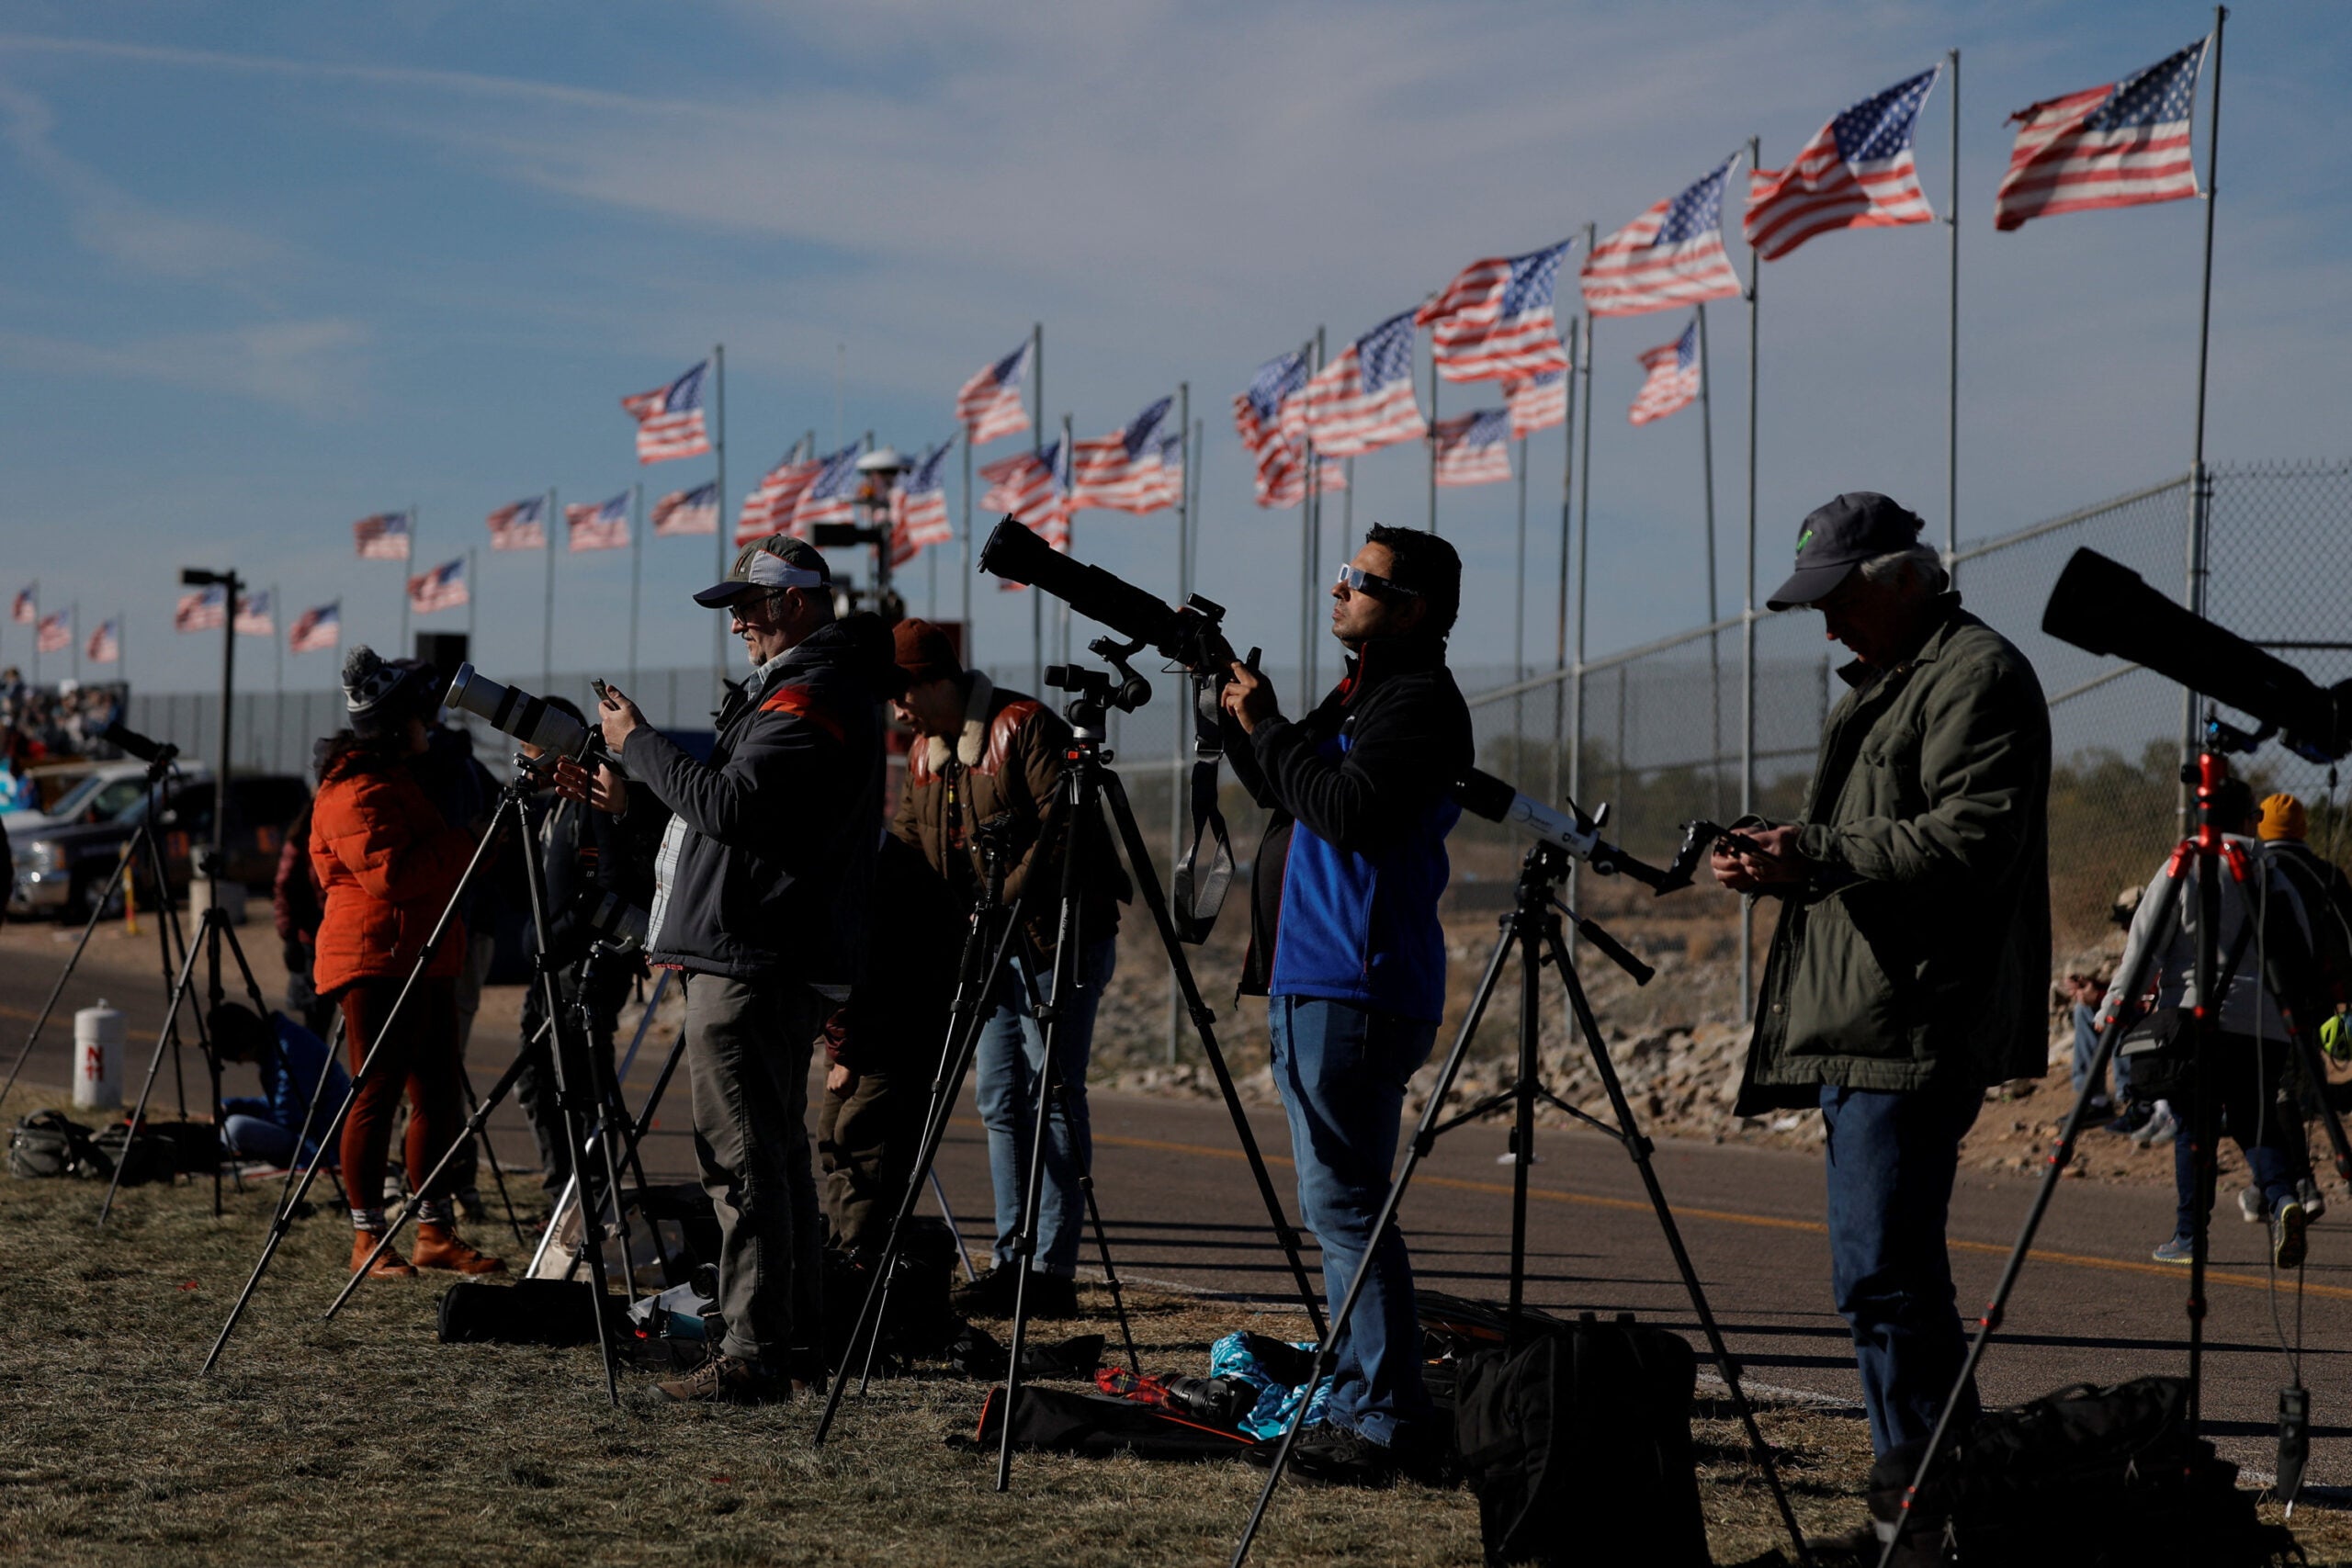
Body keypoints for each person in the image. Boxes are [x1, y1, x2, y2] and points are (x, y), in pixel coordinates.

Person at [1712, 492, 2050, 1495]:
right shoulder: (1894, 678)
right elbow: (1877, 842)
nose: (1823, 623)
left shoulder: (1974, 676)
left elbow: (1969, 840)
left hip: (1913, 1018)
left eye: (1837, 599)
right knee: (1884, 1278)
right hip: (1872, 1016)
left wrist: (1806, 851)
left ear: (1902, 579)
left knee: (1882, 1278)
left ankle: (1931, 1494)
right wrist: (1785, 859)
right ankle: (1938, 1488)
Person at [567, 535, 889, 1404]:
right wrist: (634, 802)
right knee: (774, 1156)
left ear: (793, 603)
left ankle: (754, 1352)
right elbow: (731, 825)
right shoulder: (807, 689)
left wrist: (638, 747)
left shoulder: (812, 693)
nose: (736, 622)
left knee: (743, 1163)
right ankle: (793, 1339)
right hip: (761, 953)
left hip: (756, 960)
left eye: (746, 605)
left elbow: (730, 806)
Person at [1216, 524, 1473, 1484]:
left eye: (1358, 582)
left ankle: (1382, 1417)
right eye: (1340, 574)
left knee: (1349, 1208)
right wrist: (1246, 727)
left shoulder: (1413, 702)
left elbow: (1350, 813)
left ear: (1408, 608)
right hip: (1315, 979)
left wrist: (1273, 728)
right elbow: (1293, 792)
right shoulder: (1368, 690)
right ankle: (1370, 1397)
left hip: (1353, 983)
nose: (1338, 591)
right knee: (1338, 1207)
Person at [885, 616, 1129, 1318]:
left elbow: (1065, 833)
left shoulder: (1023, 725)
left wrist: (997, 901)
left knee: (1053, 1091)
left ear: (936, 680)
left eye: (903, 692)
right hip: (989, 946)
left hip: (1058, 937)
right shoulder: (927, 753)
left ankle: (1050, 1270)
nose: (897, 708)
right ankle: (1009, 1258)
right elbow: (910, 846)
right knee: (998, 1097)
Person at [310, 647, 504, 1280]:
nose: (431, 725)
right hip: (375, 958)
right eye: (420, 717)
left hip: (422, 954)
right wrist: (469, 841)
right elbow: (393, 874)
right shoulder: (353, 790)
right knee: (376, 1094)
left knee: (438, 1096)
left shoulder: (393, 780)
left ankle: (434, 1231)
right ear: (395, 727)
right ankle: (368, 1236)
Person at [2098, 778, 2319, 1268]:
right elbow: (2301, 950)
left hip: (2197, 1023)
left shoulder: (2187, 865)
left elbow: (2147, 942)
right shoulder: (2272, 874)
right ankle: (2284, 1199)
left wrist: (2115, 1003)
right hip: (2265, 1028)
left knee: (2193, 1128)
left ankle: (2189, 1235)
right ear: (2248, 819)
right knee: (2254, 1120)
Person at [510, 694, 662, 1214]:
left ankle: (594, 1200)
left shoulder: (591, 798)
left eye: (532, 749)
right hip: (550, 966)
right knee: (536, 1077)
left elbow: (610, 886)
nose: (526, 762)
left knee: (585, 1086)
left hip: (587, 968)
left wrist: (559, 935)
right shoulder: (551, 807)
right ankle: (562, 1198)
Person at [817, 831, 961, 1257]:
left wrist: (848, 1056)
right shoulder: (861, 857)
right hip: (864, 1026)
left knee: (863, 1144)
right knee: (834, 1140)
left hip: (892, 1032)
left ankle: (860, 1264)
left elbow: (867, 975)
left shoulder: (876, 876)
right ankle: (840, 1256)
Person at [209, 1001, 350, 1170]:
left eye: (241, 1058)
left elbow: (289, 1115)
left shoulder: (290, 1050)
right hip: (309, 1130)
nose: (241, 1063)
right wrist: (231, 1106)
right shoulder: (278, 1041)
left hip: (323, 1139)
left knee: (235, 1128)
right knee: (230, 1127)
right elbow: (280, 1104)